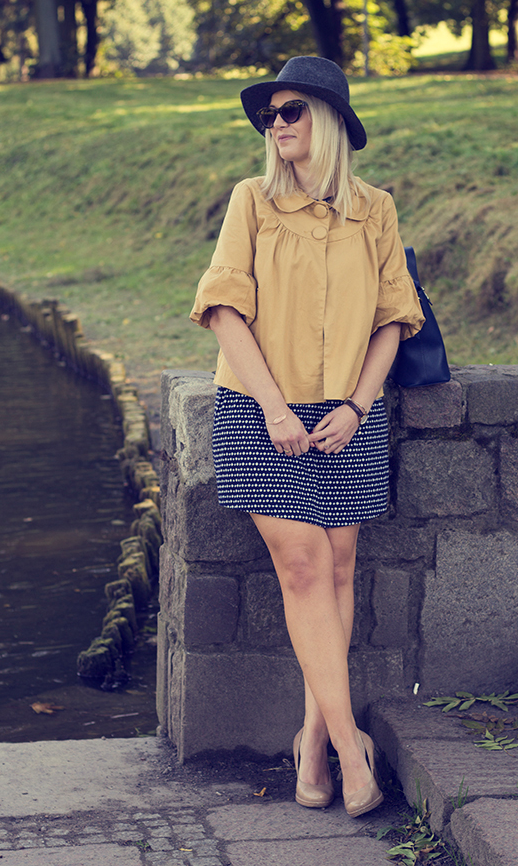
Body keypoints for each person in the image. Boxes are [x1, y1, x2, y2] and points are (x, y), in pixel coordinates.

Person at [190, 56, 424, 817]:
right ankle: (353, 750)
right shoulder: (252, 200)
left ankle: (312, 743)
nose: (277, 123)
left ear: (327, 119)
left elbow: (394, 319)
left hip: (347, 417)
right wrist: (274, 408)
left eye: (290, 110)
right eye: (270, 114)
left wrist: (358, 405)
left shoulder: (375, 210)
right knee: (303, 566)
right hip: (260, 411)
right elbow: (223, 309)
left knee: (340, 569)